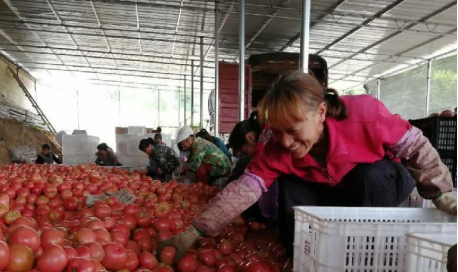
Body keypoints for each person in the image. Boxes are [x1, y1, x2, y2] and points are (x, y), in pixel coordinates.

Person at [160, 71, 457, 261]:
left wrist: (440, 191)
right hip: (332, 189)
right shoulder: (276, 146)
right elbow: (246, 188)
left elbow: (416, 146)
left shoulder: (364, 114)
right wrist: (197, 230)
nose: (286, 142)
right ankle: (303, 260)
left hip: (382, 183)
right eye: (277, 132)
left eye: (293, 130)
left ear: (321, 112)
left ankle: (371, 258)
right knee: (289, 184)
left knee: (371, 174)